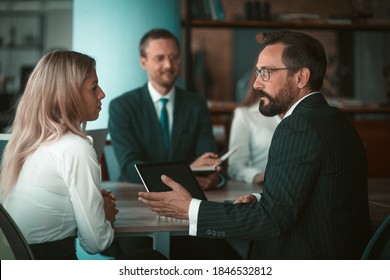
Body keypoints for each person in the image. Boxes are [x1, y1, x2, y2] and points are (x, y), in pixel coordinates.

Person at [138, 30, 373, 259]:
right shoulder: (336, 119)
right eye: (258, 72)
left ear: (301, 77)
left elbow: (271, 221)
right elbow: (313, 197)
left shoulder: (297, 126)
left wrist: (190, 209)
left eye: (267, 73)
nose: (256, 84)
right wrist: (262, 199)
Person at [0, 50, 165, 260]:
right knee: (153, 260)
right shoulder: (74, 147)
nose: (102, 94)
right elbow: (96, 243)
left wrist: (94, 204)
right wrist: (103, 215)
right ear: (68, 96)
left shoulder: (26, 143)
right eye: (93, 87)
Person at [109, 28, 225, 191]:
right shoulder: (122, 106)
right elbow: (130, 167)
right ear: (143, 62)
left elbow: (207, 157)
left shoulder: (196, 105)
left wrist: (214, 177)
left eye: (173, 57)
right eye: (160, 58)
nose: (169, 65)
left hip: (189, 195)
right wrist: (187, 171)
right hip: (137, 194)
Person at [228, 70, 281, 184]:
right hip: (262, 188)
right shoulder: (245, 114)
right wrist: (258, 176)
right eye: (261, 72)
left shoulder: (305, 114)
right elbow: (235, 165)